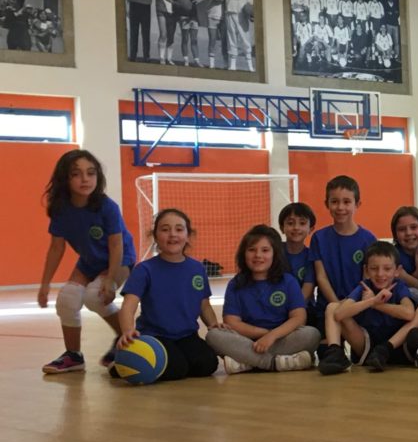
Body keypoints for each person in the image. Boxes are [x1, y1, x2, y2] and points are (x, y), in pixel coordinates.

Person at [38, 150, 136, 373]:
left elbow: (116, 246)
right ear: (65, 178)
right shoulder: (61, 209)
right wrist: (45, 284)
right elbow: (56, 248)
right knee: (67, 298)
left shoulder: (107, 206)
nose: (85, 179)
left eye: (91, 173)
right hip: (90, 261)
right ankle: (73, 356)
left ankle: (125, 336)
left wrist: (110, 280)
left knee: (95, 296)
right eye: (76, 174)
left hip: (120, 260)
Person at [115, 209, 222, 381]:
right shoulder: (144, 269)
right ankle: (127, 363)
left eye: (179, 229)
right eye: (165, 229)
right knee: (176, 369)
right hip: (155, 336)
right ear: (156, 236)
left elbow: (204, 305)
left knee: (207, 364)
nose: (172, 234)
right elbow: (128, 305)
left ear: (188, 236)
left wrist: (213, 325)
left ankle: (148, 362)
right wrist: (128, 331)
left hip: (186, 335)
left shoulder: (197, 268)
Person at [206, 225, 320, 373]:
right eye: (252, 250)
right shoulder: (236, 284)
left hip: (280, 338)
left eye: (265, 250)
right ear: (244, 254)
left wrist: (273, 336)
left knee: (311, 334)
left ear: (275, 254)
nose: (258, 255)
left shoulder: (288, 281)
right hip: (246, 340)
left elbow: (299, 318)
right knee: (213, 336)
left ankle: (248, 362)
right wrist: (265, 334)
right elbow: (232, 322)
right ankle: (273, 363)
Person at [317, 241, 418, 374]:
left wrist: (377, 304)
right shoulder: (364, 287)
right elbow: (339, 314)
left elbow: (408, 313)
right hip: (367, 346)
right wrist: (371, 301)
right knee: (332, 307)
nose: (380, 274)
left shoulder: (399, 286)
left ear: (397, 271)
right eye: (374, 268)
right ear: (366, 271)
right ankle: (335, 353)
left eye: (387, 269)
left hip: (397, 346)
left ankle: (385, 348)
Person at [311, 176, 377, 345]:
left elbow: (367, 280)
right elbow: (321, 277)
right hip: (327, 309)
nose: (340, 207)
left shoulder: (368, 239)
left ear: (357, 204)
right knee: (329, 355)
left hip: (359, 310)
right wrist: (336, 304)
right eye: (335, 202)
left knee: (363, 355)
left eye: (347, 202)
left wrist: (349, 305)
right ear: (327, 204)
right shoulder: (319, 238)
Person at [278, 202, 317, 302]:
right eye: (290, 223)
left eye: (302, 223)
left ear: (311, 229)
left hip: (303, 307)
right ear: (282, 228)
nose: (296, 227)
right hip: (276, 306)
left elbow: (307, 290)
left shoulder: (311, 256)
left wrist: (293, 308)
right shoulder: (274, 252)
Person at [222, 0, 253, 71]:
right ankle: (233, 65)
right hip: (230, 14)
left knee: (245, 39)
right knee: (232, 39)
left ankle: (250, 66)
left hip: (241, 15)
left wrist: (250, 12)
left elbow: (251, 0)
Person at [154, 0, 178, 65]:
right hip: (161, 8)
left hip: (172, 10)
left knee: (171, 36)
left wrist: (177, 3)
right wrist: (172, 0)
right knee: (163, 34)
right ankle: (161, 58)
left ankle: (169, 58)